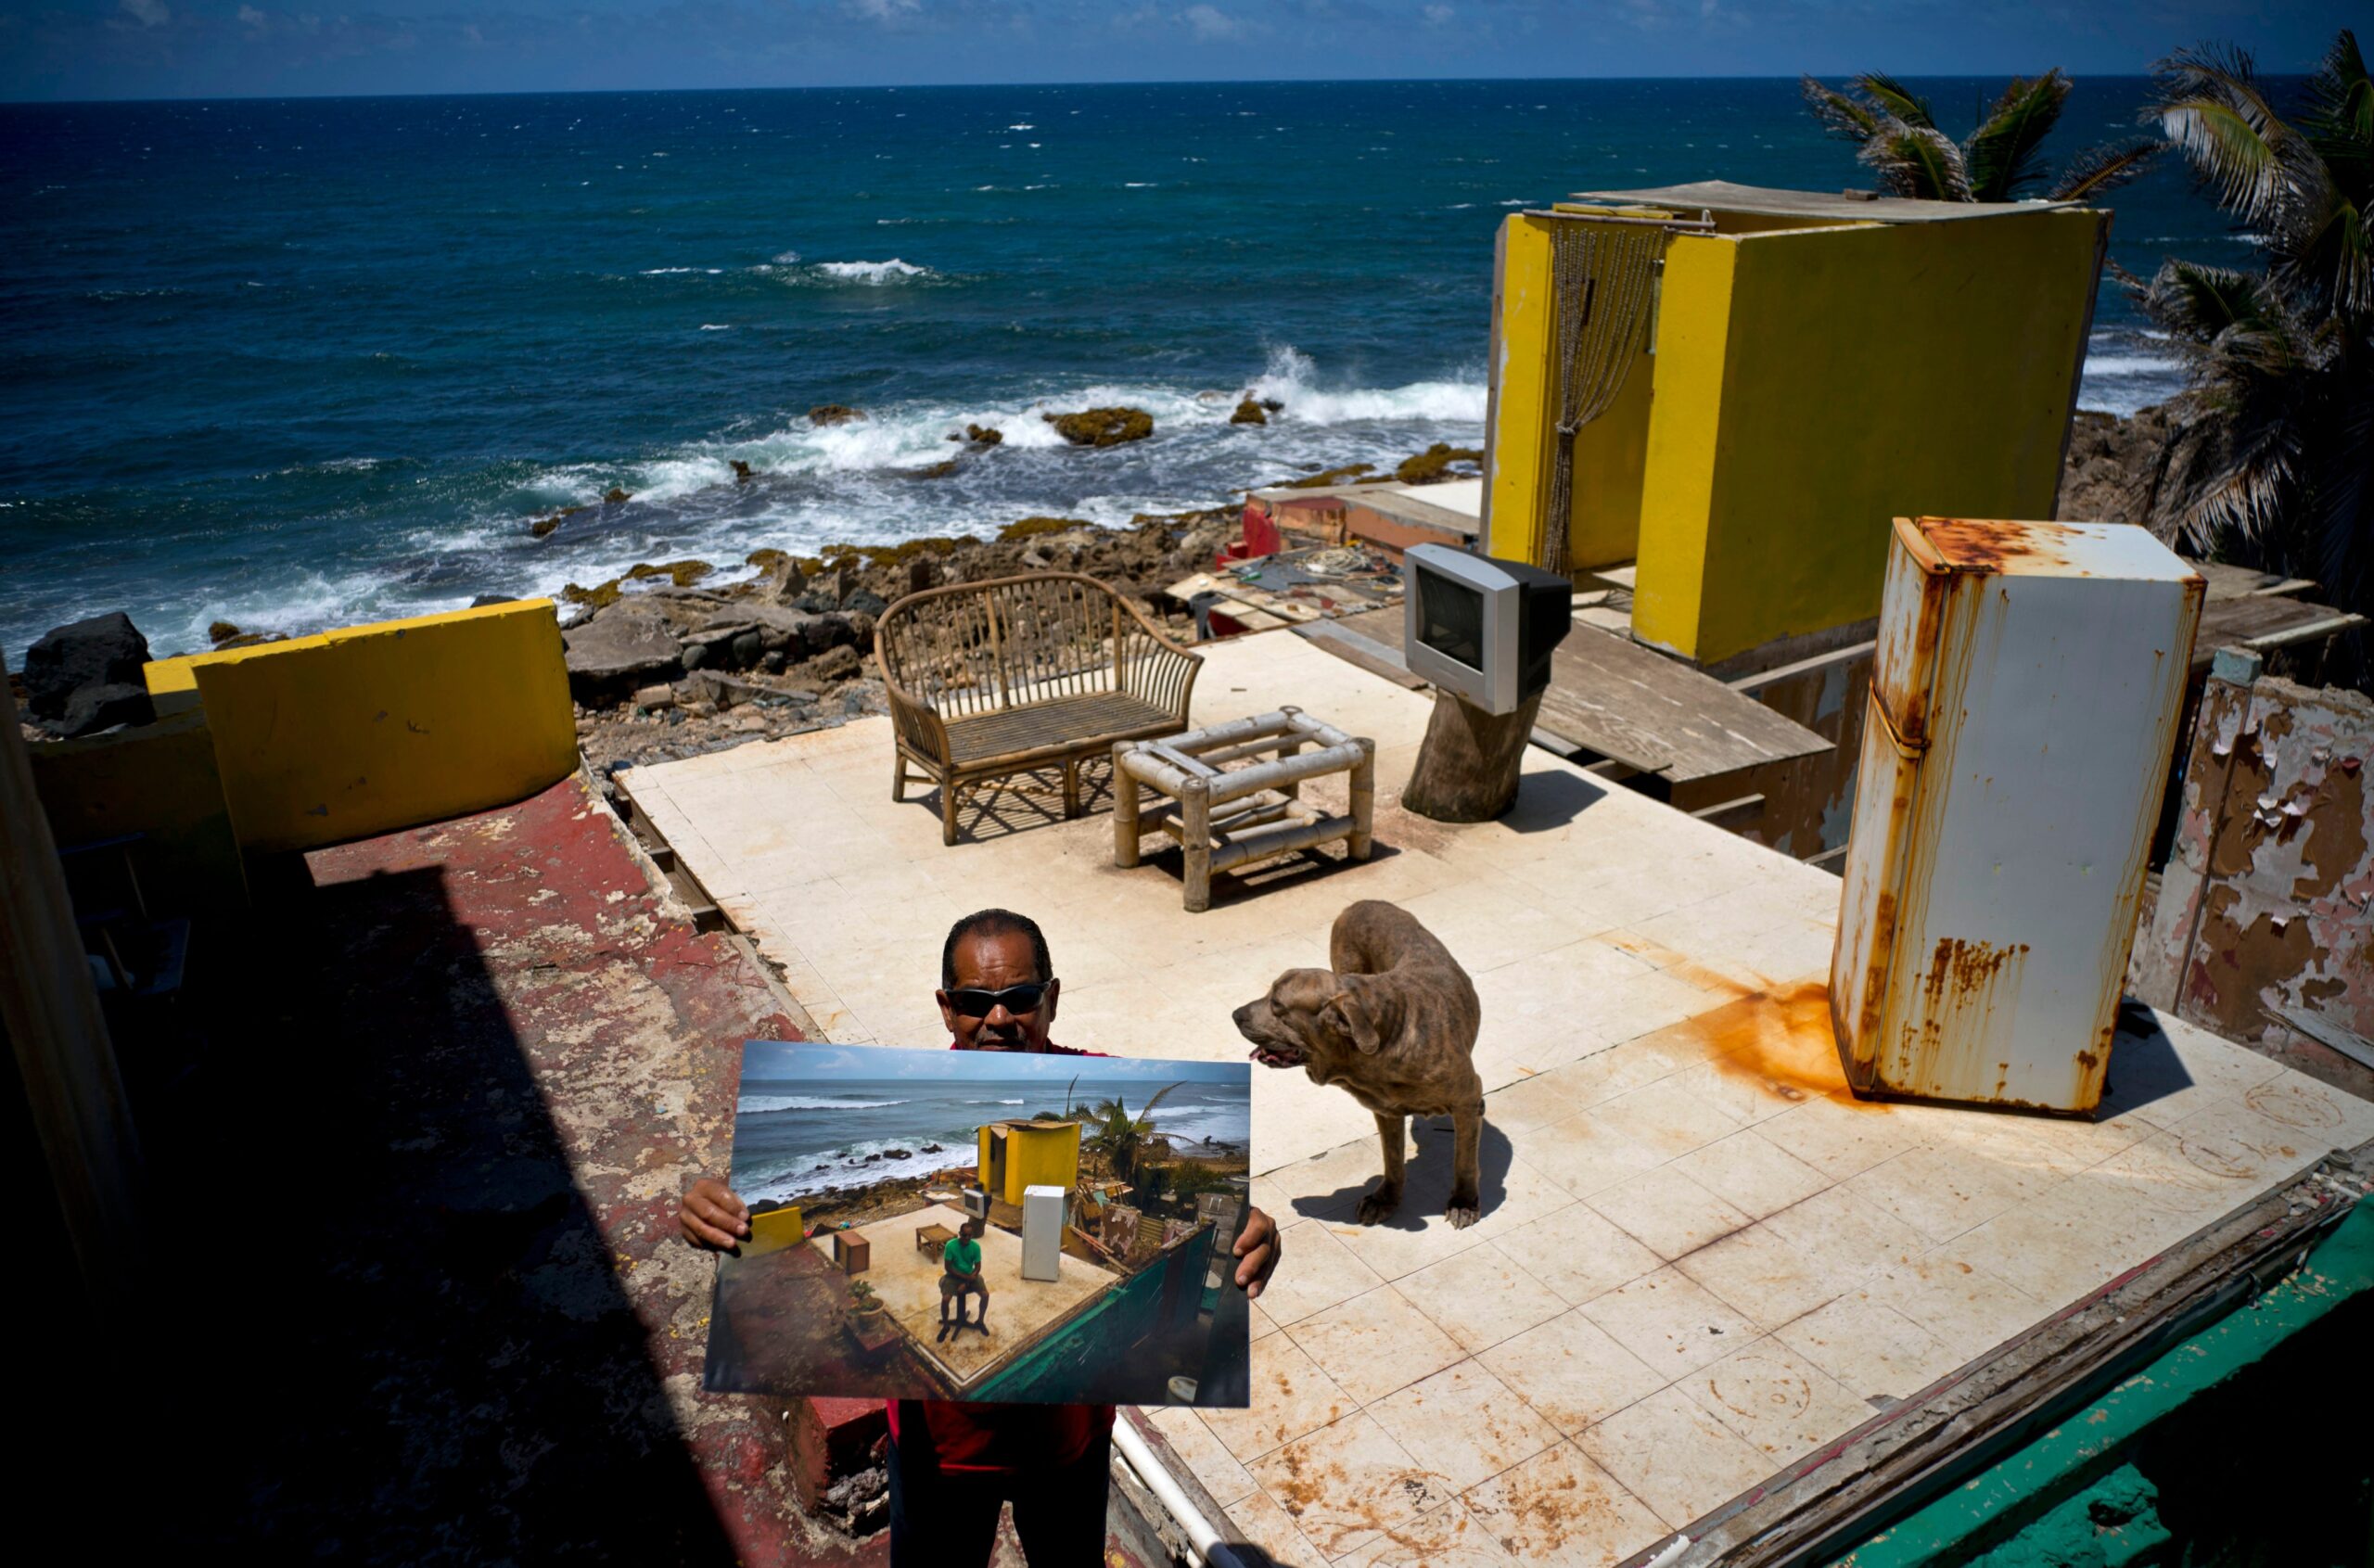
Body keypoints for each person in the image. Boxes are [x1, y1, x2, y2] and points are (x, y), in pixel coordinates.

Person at [681, 907, 1282, 1568]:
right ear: (946, 1007)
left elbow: (1192, 1193)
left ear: (1050, 997)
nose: (999, 1019)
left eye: (1020, 997)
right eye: (975, 1001)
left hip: (1071, 1443)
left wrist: (1250, 1228)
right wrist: (724, 1212)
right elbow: (761, 1216)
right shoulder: (923, 1089)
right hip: (938, 1452)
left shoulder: (1108, 1089)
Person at [938, 1217, 989, 1341]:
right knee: (945, 1299)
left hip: (970, 1276)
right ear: (960, 1234)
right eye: (964, 1235)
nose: (967, 1238)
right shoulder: (951, 1245)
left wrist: (967, 1281)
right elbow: (948, 1267)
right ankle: (945, 1326)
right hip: (953, 1276)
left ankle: (980, 1321)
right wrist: (964, 1278)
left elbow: (978, 1267)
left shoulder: (975, 1247)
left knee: (985, 1295)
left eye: (969, 1236)